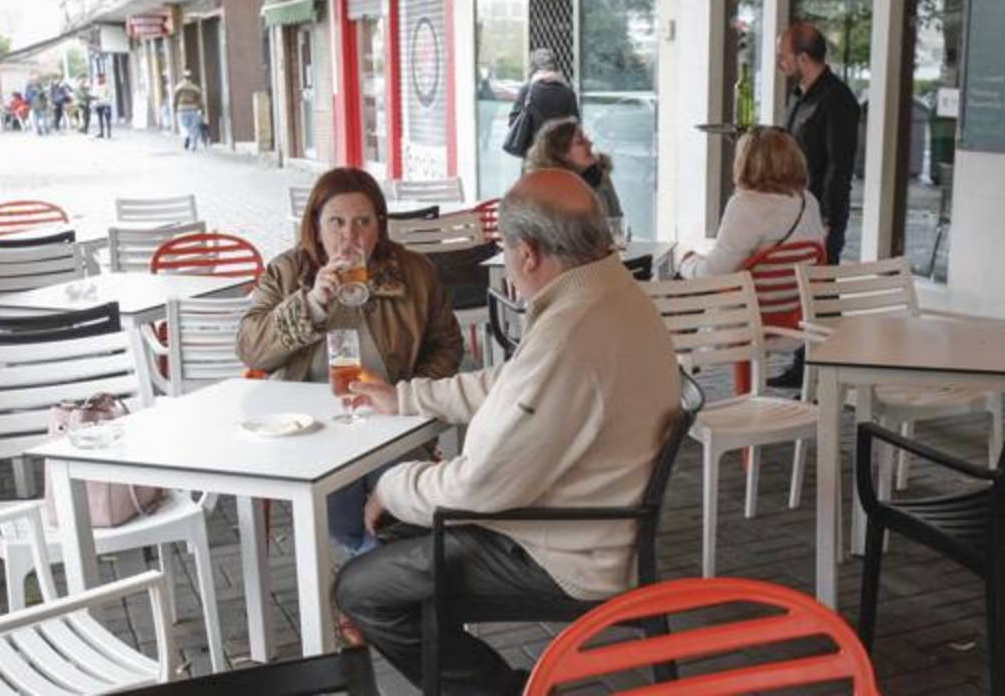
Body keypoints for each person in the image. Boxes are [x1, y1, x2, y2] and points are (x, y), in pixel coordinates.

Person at [333, 169, 681, 695]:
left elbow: (481, 487)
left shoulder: (573, 335)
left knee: (362, 588)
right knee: (397, 540)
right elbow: (514, 382)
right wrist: (406, 397)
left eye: (505, 249)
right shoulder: (606, 294)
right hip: (578, 521)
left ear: (529, 254)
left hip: (566, 554)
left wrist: (390, 485)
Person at [236, 167, 463, 555]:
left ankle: (371, 590)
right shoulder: (288, 272)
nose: (350, 236)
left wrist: (407, 395)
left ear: (380, 225)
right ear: (316, 226)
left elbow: (447, 346)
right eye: (336, 222)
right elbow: (250, 348)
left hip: (388, 420)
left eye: (363, 222)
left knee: (398, 502)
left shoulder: (414, 273)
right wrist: (310, 304)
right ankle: (376, 584)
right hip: (312, 425)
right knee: (340, 514)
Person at [773, 21, 859, 388]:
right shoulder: (799, 93)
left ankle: (828, 373)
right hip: (795, 208)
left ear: (804, 58)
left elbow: (840, 165)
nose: (779, 62)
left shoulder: (838, 100)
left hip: (821, 212)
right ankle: (802, 367)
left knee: (822, 292)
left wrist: (825, 217)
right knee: (804, 289)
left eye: (783, 56)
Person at [678, 126, 826, 278]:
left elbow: (712, 274)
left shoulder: (745, 205)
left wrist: (686, 262)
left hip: (751, 300)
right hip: (798, 299)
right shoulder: (809, 200)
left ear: (745, 162)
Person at [524, 116, 623, 221]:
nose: (590, 143)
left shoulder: (600, 174)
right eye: (580, 142)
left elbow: (616, 221)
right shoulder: (544, 192)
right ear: (560, 154)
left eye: (586, 138)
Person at [504, 47, 578, 158]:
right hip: (560, 154)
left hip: (533, 154)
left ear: (533, 66)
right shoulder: (568, 92)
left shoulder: (528, 90)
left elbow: (513, 121)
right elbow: (575, 125)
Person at [172, 70, 204, 150]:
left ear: (183, 77)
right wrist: (201, 109)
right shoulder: (195, 88)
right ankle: (193, 145)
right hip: (193, 109)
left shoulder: (179, 87)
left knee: (183, 126)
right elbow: (199, 100)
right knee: (193, 127)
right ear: (191, 77)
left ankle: (186, 136)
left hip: (182, 109)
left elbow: (175, 98)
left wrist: (175, 107)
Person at [92, 74, 113, 139]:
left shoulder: (107, 85)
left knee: (107, 119)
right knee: (100, 118)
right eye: (98, 78)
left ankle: (109, 133)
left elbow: (110, 95)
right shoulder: (95, 86)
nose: (99, 79)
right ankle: (101, 132)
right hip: (98, 104)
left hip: (106, 104)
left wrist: (105, 100)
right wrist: (94, 102)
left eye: (101, 78)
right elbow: (94, 95)